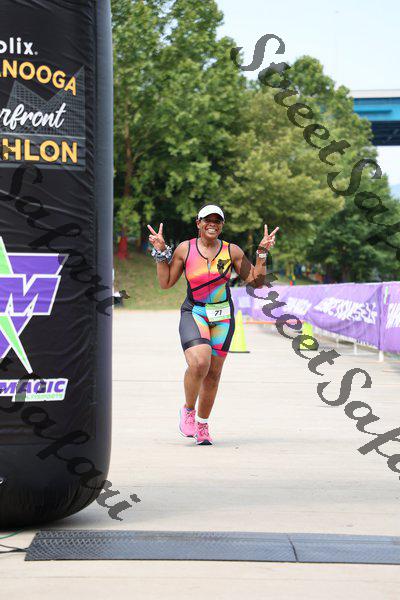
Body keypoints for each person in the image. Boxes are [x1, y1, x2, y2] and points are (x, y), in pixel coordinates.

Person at [147, 204, 279, 445]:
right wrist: (161, 252)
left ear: (222, 225)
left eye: (217, 221)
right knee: (200, 362)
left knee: (213, 375)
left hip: (223, 316)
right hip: (195, 311)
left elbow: (256, 282)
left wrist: (261, 253)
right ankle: (188, 410)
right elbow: (166, 283)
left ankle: (203, 425)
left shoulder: (232, 251)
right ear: (198, 223)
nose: (212, 224)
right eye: (207, 219)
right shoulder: (185, 249)